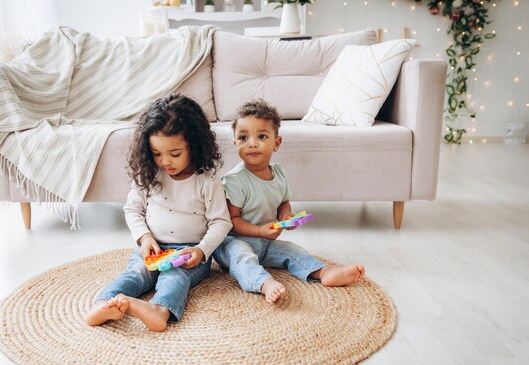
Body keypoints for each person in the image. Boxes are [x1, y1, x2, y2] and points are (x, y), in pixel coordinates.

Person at [86, 93, 232, 331]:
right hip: (152, 249)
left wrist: (201, 250)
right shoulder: (150, 175)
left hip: (187, 254)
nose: (165, 161)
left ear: (194, 146)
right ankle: (104, 303)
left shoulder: (208, 181)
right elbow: (132, 209)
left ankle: (159, 309)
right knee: (134, 274)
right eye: (156, 153)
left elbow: (221, 222)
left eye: (175, 154)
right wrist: (144, 238)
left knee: (174, 279)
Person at [213, 99, 365, 304]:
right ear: (235, 144)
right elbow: (232, 219)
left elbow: (284, 202)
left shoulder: (278, 173)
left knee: (293, 251)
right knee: (241, 256)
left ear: (277, 143)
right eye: (243, 137)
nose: (252, 143)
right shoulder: (234, 180)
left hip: (266, 242)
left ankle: (322, 272)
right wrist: (259, 231)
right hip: (235, 242)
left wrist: (286, 217)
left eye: (262, 136)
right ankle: (264, 283)